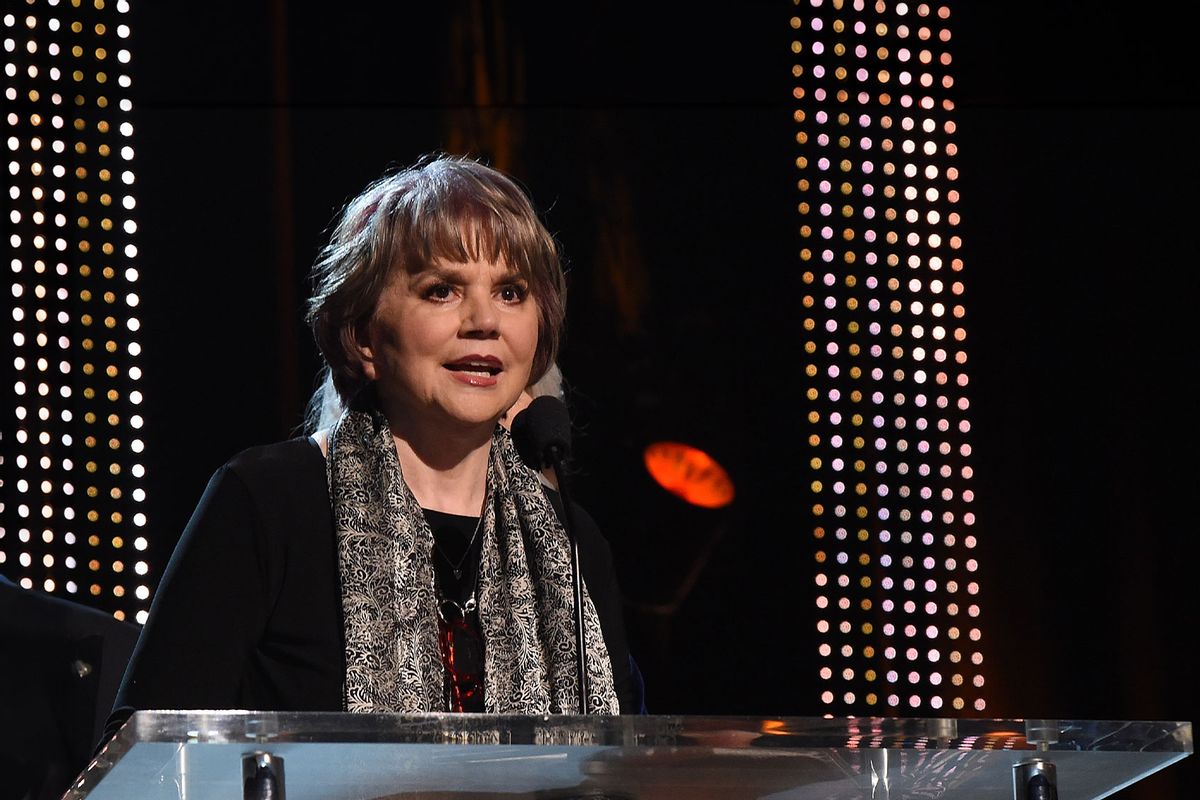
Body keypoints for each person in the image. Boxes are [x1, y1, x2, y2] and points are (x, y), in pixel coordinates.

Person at [104, 154, 638, 743]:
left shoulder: (570, 540)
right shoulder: (268, 503)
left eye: (512, 292)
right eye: (442, 290)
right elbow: (148, 754)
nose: (485, 320)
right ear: (362, 336)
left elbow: (623, 764)